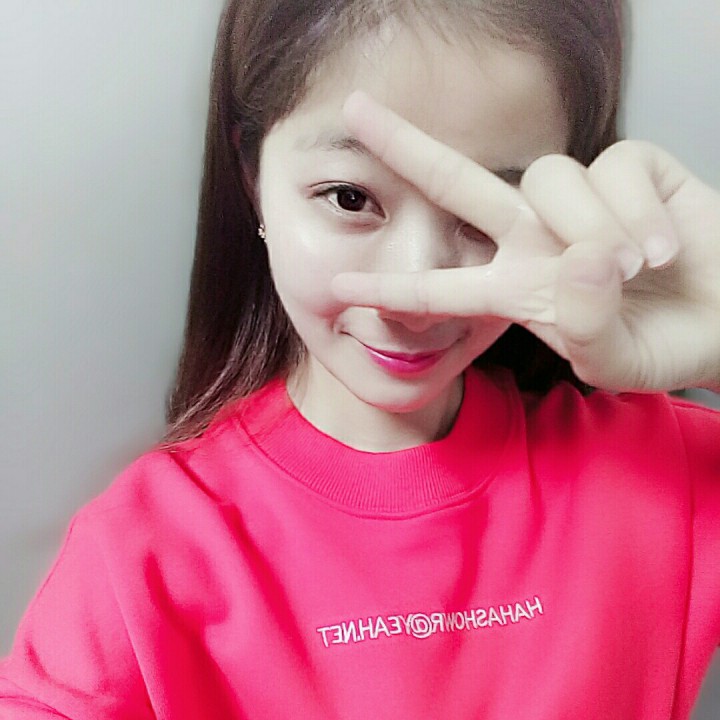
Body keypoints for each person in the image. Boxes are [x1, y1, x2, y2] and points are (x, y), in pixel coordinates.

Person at [1, 0, 719, 717]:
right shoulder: (146, 555)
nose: (414, 294)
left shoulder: (661, 475)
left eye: (483, 211)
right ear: (252, 171)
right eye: (349, 197)